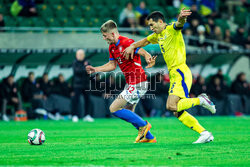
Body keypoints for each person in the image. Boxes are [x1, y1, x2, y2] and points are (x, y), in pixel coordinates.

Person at [123, 10, 216, 144]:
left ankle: (201, 100)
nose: (151, 28)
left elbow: (179, 24)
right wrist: (132, 46)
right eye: (149, 26)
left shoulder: (171, 29)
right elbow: (144, 41)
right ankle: (205, 133)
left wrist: (182, 18)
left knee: (171, 106)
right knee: (176, 111)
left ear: (160, 22)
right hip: (174, 74)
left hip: (180, 72)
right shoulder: (158, 35)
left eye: (152, 24)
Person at [86, 20, 157, 143]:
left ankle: (144, 125)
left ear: (112, 34)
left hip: (138, 82)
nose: (104, 38)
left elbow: (140, 50)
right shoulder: (112, 47)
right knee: (129, 112)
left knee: (114, 108)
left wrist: (147, 56)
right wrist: (96, 69)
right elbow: (112, 65)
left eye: (105, 35)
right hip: (132, 84)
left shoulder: (126, 42)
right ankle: (150, 138)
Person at [72, 49, 94, 122]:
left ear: (84, 55)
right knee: (76, 101)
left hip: (86, 85)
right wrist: (84, 68)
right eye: (78, 54)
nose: (80, 56)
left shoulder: (88, 62)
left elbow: (89, 71)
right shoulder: (75, 62)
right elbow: (77, 71)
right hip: (77, 85)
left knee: (88, 100)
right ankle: (75, 115)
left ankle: (87, 115)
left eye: (81, 54)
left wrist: (83, 69)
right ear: (76, 55)